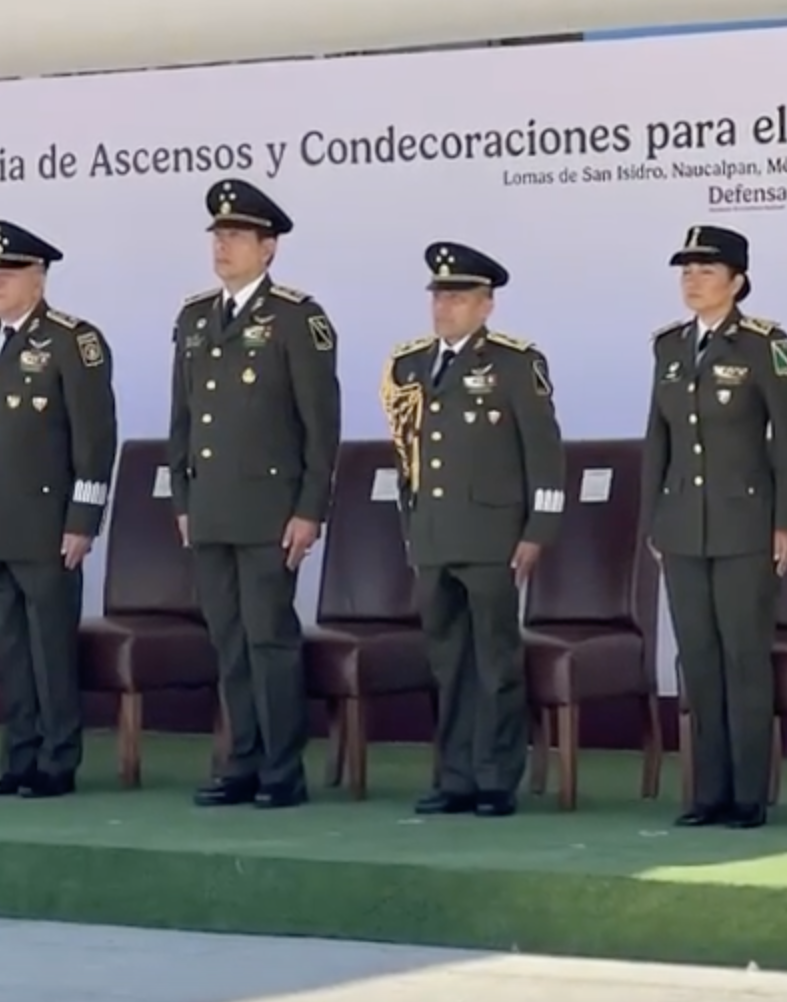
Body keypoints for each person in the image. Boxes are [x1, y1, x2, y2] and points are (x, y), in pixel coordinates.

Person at [169, 179, 341, 809]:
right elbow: (183, 419)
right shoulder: (195, 318)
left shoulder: (296, 318)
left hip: (270, 511)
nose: (223, 246)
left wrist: (309, 509)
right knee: (229, 640)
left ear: (268, 248)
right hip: (211, 507)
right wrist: (183, 500)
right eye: (218, 235)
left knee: (269, 640)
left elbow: (320, 426)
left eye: (237, 235)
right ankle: (240, 761)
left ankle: (280, 769)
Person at [381, 242, 565, 818]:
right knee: (448, 662)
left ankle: (495, 778)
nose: (445, 307)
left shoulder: (514, 363)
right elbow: (408, 455)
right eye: (439, 297)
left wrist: (538, 529)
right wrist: (412, 526)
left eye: (458, 298)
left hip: (492, 536)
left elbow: (545, 455)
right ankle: (455, 776)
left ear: (486, 305)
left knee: (495, 662)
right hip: (434, 536)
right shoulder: (411, 364)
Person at [640, 225, 787, 830]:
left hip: (745, 524)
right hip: (683, 525)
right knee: (698, 659)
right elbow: (658, 439)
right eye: (686, 270)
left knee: (743, 658)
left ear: (737, 281)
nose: (692, 280)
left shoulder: (764, 344)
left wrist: (786, 521)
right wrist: (654, 520)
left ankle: (748, 795)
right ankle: (707, 792)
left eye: (706, 271)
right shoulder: (669, 346)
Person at [0, 220, 118, 799]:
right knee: (9, 649)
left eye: (10, 271)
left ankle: (57, 758)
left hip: (47, 525)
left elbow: (94, 441)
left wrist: (83, 522)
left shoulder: (72, 341)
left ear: (39, 278)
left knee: (50, 650)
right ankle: (19, 755)